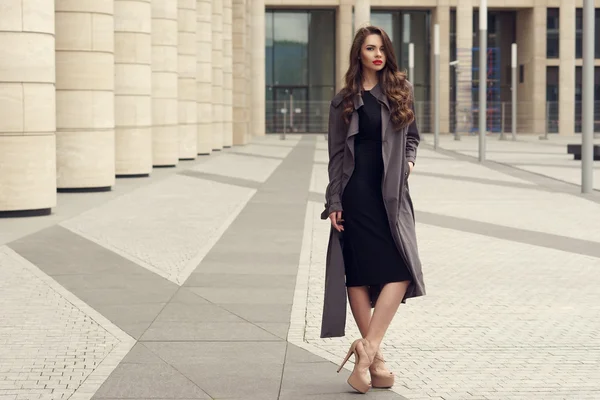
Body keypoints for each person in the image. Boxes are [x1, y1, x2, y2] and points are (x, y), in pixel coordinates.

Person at [320, 25, 426, 394]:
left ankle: (366, 347)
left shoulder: (401, 89)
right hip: (355, 194)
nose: (377, 54)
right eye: (370, 48)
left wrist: (408, 165)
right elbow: (335, 156)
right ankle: (375, 360)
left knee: (400, 269)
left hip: (390, 195)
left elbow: (412, 137)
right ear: (359, 54)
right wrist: (333, 201)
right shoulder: (344, 100)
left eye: (382, 48)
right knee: (359, 274)